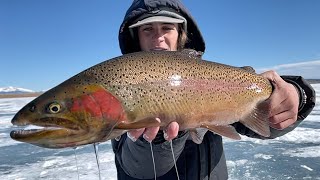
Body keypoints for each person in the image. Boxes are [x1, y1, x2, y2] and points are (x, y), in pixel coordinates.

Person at [112, 0, 316, 179]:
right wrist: (158, 136)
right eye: (147, 29)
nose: (158, 38)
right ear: (135, 37)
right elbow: (137, 168)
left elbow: (267, 126)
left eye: (167, 28)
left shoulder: (212, 80)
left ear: (181, 34)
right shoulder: (120, 84)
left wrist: (298, 93)